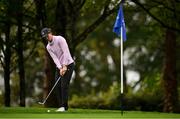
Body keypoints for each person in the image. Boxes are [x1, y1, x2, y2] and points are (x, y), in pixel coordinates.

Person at [41, 28, 74, 112]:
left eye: (47, 35)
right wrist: (60, 68)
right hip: (59, 67)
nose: (47, 38)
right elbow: (55, 58)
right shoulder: (48, 47)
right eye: (45, 37)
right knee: (57, 86)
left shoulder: (60, 39)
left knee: (63, 86)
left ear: (51, 33)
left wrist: (65, 66)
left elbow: (66, 52)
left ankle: (64, 107)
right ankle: (61, 106)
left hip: (69, 64)